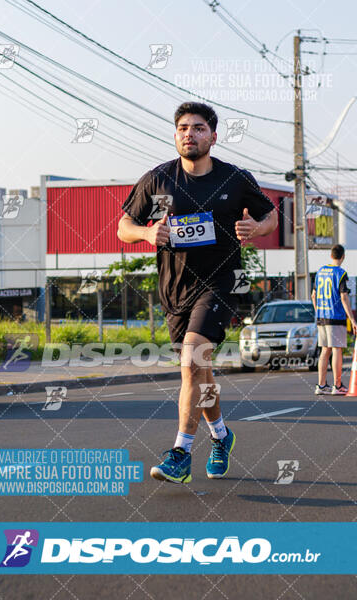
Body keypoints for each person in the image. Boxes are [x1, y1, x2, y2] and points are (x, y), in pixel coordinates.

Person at [117, 102, 277, 484]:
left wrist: (256, 228)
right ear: (175, 136)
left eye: (199, 128)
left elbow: (271, 215)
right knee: (199, 369)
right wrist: (145, 233)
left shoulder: (235, 179)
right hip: (175, 291)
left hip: (222, 283)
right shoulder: (157, 180)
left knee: (192, 360)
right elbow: (124, 225)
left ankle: (180, 453)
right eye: (184, 128)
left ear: (213, 136)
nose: (190, 133)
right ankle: (221, 436)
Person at [312, 244, 357, 395]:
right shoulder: (341, 274)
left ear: (331, 256)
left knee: (325, 350)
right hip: (335, 316)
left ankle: (321, 384)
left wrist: (318, 311)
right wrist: (352, 319)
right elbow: (344, 297)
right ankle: (337, 386)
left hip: (322, 317)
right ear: (343, 257)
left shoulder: (320, 272)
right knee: (337, 349)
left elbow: (313, 295)